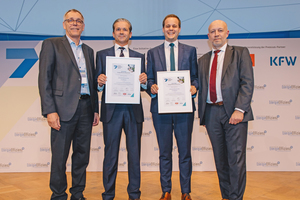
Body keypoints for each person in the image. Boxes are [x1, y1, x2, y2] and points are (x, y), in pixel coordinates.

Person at [38, 9, 99, 200]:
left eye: (79, 21)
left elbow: (90, 79)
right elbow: (44, 79)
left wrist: (95, 109)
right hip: (62, 110)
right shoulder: (52, 45)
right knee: (59, 157)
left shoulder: (89, 51)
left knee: (82, 156)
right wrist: (50, 110)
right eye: (71, 20)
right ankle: (58, 195)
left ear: (83, 25)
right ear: (64, 24)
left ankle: (78, 193)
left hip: (86, 108)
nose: (75, 23)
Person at [197, 20, 254, 200]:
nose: (216, 34)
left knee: (235, 160)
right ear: (208, 36)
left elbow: (247, 83)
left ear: (227, 33)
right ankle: (226, 196)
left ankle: (236, 197)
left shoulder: (240, 53)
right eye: (212, 31)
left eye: (220, 30)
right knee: (221, 161)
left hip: (234, 113)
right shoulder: (203, 60)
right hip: (212, 113)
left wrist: (239, 109)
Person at [147, 14, 198, 200]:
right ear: (163, 29)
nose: (171, 29)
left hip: (184, 110)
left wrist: (194, 87)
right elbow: (150, 78)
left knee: (185, 152)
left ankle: (186, 192)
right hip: (161, 109)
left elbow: (196, 78)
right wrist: (151, 86)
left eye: (174, 26)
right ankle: (166, 191)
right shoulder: (152, 52)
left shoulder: (191, 51)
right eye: (167, 26)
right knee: (164, 153)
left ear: (179, 29)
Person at [96, 18, 147, 200]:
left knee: (134, 156)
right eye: (118, 29)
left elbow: (142, 86)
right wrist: (100, 82)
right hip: (111, 112)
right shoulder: (102, 55)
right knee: (110, 156)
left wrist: (144, 81)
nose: (121, 32)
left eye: (125, 30)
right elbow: (98, 85)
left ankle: (134, 194)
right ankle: (108, 194)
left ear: (130, 34)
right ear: (113, 33)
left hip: (133, 112)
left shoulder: (138, 57)